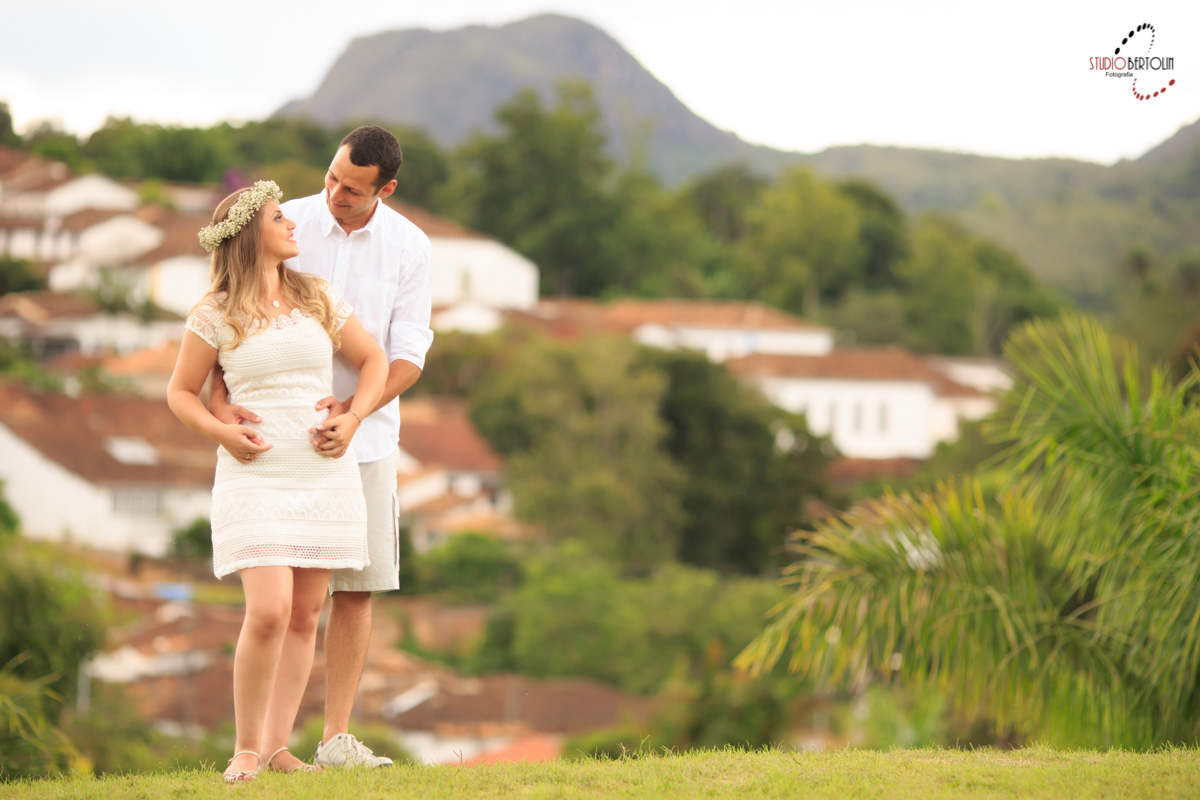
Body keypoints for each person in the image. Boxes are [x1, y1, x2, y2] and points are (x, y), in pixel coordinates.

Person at [210, 126, 434, 768]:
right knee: (277, 606)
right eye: (333, 177)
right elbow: (225, 324)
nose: (335, 193)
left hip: (366, 437)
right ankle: (257, 746)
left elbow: (406, 355)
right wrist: (222, 411)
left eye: (352, 189)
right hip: (276, 444)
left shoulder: (410, 247)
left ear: (386, 190)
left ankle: (334, 738)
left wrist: (356, 412)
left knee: (355, 589)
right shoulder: (286, 222)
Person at [168, 180, 388, 783]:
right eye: (278, 218)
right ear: (248, 236)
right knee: (268, 610)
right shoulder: (214, 312)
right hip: (254, 471)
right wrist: (221, 430)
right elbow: (180, 392)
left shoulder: (316, 295)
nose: (292, 225)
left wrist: (354, 415)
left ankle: (276, 749)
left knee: (305, 613)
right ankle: (244, 749)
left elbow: (374, 361)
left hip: (323, 470)